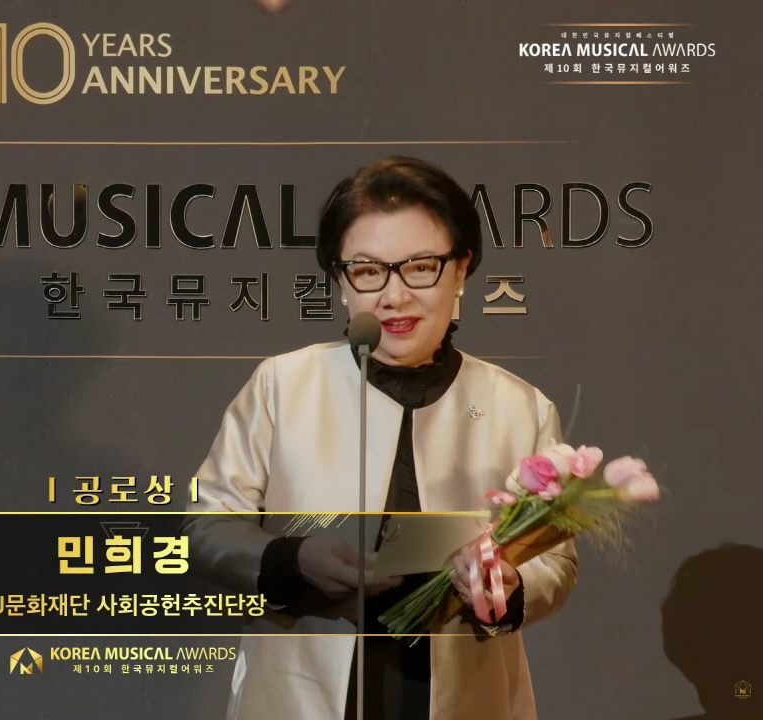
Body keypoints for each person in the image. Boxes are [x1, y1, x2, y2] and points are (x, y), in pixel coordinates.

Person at [181, 157, 578, 720]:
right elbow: (206, 527)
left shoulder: (520, 406)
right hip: (304, 694)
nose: (394, 296)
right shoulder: (283, 386)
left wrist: (505, 584)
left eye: (420, 267)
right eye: (367, 271)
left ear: (461, 269)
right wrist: (294, 559)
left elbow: (554, 561)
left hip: (463, 694)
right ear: (340, 280)